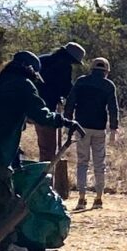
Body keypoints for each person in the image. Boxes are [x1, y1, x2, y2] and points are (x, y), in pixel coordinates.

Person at [0, 52, 66, 251]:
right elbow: (41, 115)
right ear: (30, 69)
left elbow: (1, 119)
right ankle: (5, 244)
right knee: (2, 198)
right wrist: (63, 120)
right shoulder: (23, 85)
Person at [29, 42, 88, 195]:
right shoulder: (64, 67)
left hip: (27, 107)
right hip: (46, 111)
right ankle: (44, 186)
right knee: (49, 149)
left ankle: (39, 183)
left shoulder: (42, 60)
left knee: (41, 146)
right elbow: (66, 88)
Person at [67, 56, 120, 208]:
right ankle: (98, 198)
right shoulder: (108, 85)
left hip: (81, 127)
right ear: (106, 71)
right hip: (99, 129)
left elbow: (71, 102)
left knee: (82, 163)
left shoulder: (81, 81)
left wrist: (67, 122)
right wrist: (113, 128)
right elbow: (113, 108)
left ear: (91, 69)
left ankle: (81, 199)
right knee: (99, 164)